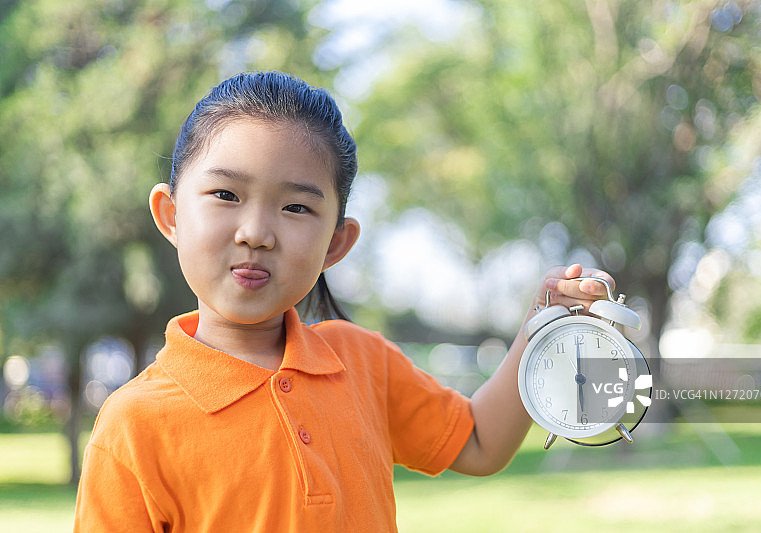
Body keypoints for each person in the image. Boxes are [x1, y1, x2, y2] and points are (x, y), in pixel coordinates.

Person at [73, 71, 614, 532]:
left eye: (296, 207)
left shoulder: (363, 362)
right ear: (170, 215)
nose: (257, 232)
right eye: (226, 195)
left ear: (336, 243)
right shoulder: (133, 424)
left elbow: (479, 442)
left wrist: (541, 324)